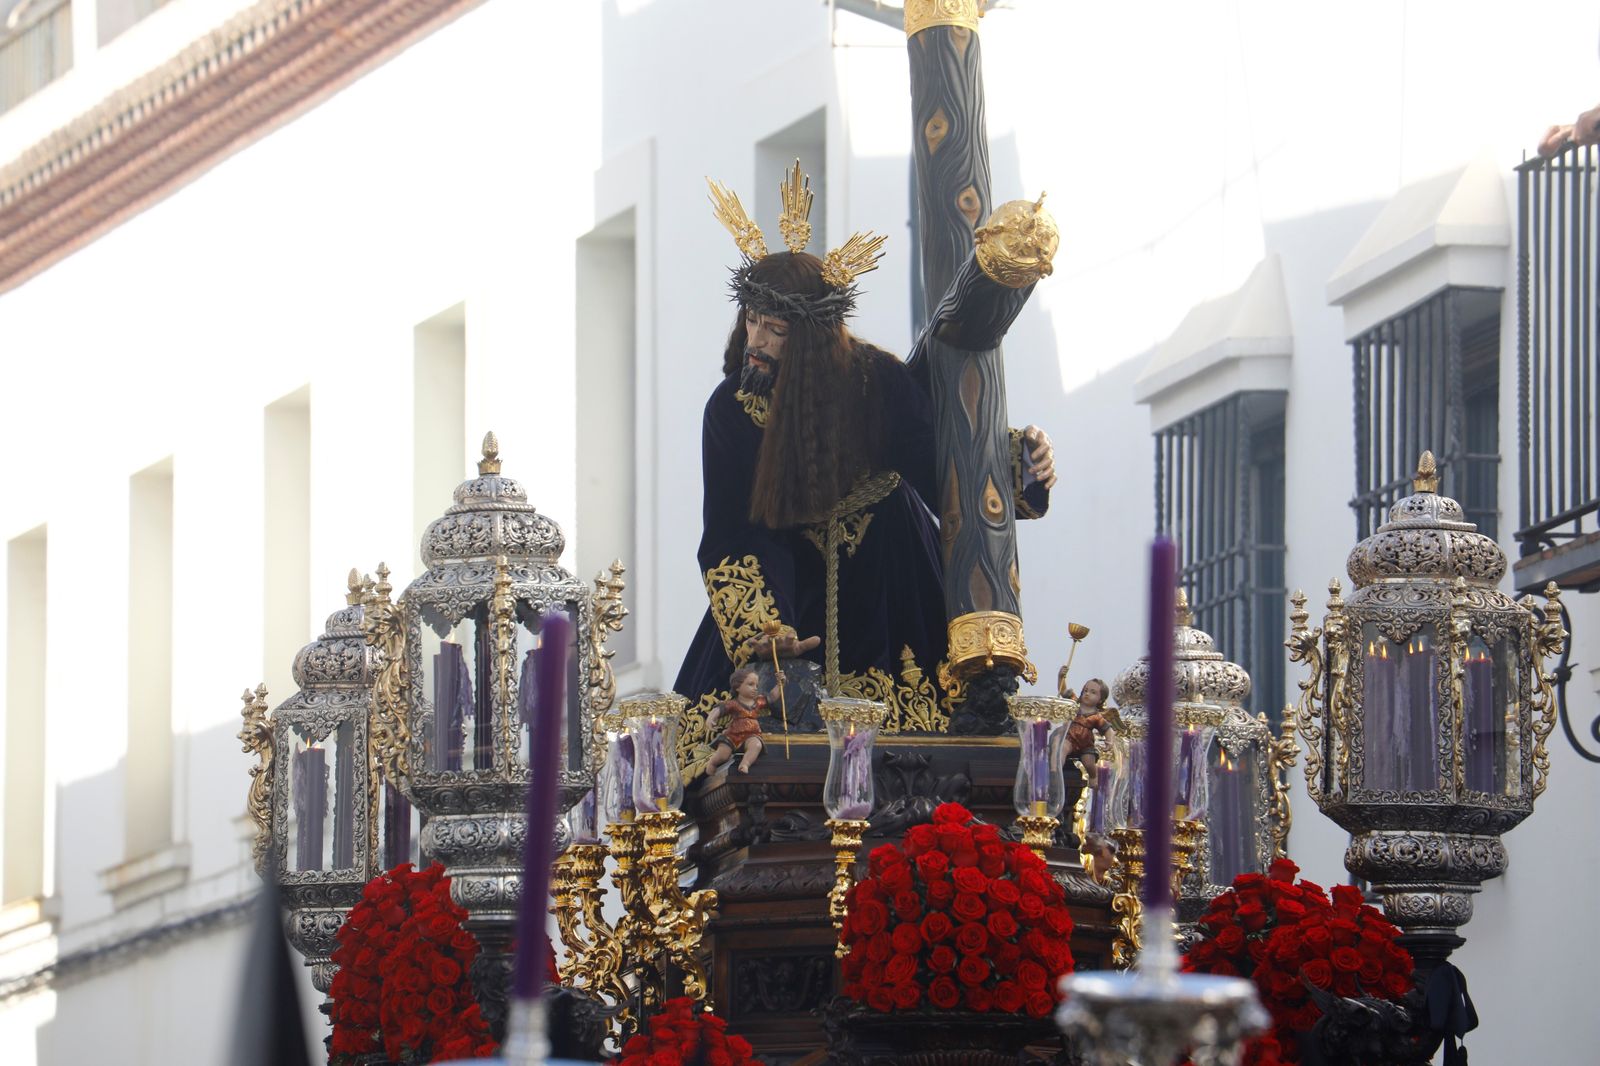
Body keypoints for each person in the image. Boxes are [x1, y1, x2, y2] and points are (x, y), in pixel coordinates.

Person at [673, 164, 1055, 732]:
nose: (756, 341)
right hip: (783, 591)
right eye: (752, 321)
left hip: (888, 580)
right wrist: (771, 645)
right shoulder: (730, 409)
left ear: (809, 339)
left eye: (775, 330)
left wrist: (1019, 460)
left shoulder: (878, 381)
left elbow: (942, 468)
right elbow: (733, 535)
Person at [705, 666, 784, 774]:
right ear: (737, 687)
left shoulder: (758, 702)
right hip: (732, 736)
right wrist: (711, 718)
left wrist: (780, 684)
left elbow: (772, 697)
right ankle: (712, 763)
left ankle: (745, 763)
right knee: (723, 756)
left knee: (756, 745)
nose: (755, 688)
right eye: (750, 684)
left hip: (752, 734)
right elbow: (719, 709)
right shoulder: (733, 703)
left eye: (756, 685)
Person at [1065, 677, 1113, 784]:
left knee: (1088, 762)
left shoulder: (1096, 716)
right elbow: (1063, 692)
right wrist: (1061, 678)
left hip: (1085, 744)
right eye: (1085, 690)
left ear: (1100, 699)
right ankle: (1056, 771)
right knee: (1061, 750)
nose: (1087, 694)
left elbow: (1108, 729)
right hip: (1070, 738)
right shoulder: (1075, 706)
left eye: (1093, 692)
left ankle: (1093, 776)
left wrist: (1109, 741)